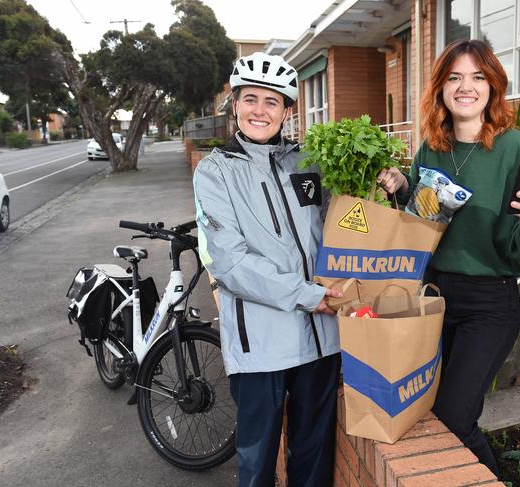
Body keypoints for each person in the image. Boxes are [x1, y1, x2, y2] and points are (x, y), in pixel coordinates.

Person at [378, 39, 520, 476]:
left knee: (453, 416)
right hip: (434, 297)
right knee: (423, 409)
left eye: (478, 76)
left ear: (493, 86)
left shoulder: (515, 147)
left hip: (490, 303)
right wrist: (403, 189)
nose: (466, 86)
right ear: (441, 87)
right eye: (455, 77)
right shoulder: (432, 146)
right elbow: (424, 220)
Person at [192, 52, 342, 487]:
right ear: (234, 105)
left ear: (287, 110)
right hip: (260, 344)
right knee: (257, 462)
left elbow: (348, 223)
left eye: (272, 102)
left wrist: (391, 184)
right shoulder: (215, 172)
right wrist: (308, 295)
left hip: (321, 341)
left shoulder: (311, 161)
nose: (260, 110)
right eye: (250, 99)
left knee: (313, 458)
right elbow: (231, 261)